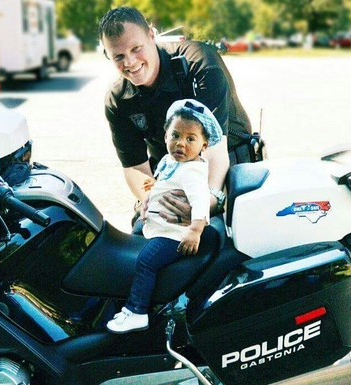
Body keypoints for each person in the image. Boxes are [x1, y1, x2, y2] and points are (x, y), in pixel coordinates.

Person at [98, 6, 252, 227]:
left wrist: (204, 205)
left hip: (226, 160)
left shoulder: (200, 64)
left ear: (151, 34)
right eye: (118, 56)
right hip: (170, 170)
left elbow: (215, 150)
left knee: (216, 234)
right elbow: (135, 167)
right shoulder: (118, 99)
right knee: (144, 231)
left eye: (136, 48)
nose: (130, 62)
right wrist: (153, 197)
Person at [107, 99, 221, 333]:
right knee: (131, 243)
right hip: (157, 224)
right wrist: (148, 200)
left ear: (204, 145)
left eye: (190, 139)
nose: (181, 143)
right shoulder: (171, 161)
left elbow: (201, 202)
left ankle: (137, 311)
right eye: (175, 135)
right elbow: (162, 183)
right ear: (165, 135)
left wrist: (195, 231)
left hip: (175, 233)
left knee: (146, 261)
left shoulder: (191, 171)